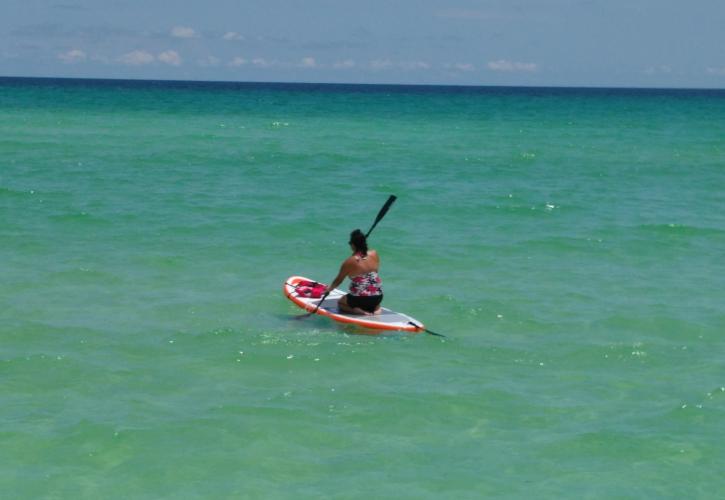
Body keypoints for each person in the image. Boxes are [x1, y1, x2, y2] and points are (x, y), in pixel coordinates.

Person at [323, 229, 383, 315]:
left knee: (340, 302)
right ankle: (377, 309)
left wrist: (329, 290)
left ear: (353, 245)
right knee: (372, 299)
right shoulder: (374, 254)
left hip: (359, 300)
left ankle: (356, 310)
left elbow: (339, 280)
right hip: (378, 297)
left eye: (350, 243)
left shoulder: (349, 261)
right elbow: (374, 271)